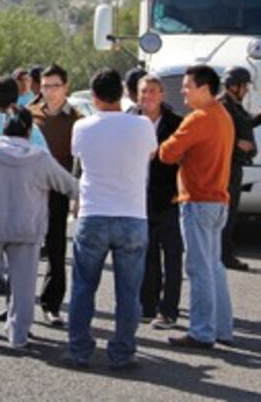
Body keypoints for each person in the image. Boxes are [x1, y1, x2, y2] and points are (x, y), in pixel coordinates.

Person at [0, 109, 78, 347]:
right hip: (27, 228)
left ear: (4, 130)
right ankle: (18, 336)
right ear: (29, 131)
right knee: (23, 285)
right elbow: (67, 184)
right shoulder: (40, 156)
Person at [66, 69, 157, 370]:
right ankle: (122, 352)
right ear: (122, 94)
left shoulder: (82, 126)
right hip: (132, 214)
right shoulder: (143, 125)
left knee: (83, 287)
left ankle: (79, 350)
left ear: (93, 97)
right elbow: (150, 155)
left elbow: (77, 157)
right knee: (129, 291)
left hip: (93, 213)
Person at [159, 64, 235, 349]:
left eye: (188, 86)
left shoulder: (198, 119)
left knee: (199, 268)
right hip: (217, 201)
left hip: (198, 200)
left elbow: (167, 153)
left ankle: (202, 331)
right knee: (213, 267)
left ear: (205, 89)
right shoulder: (222, 115)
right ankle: (222, 328)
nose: (183, 91)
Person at [29, 64, 82, 327]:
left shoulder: (77, 119)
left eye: (55, 86)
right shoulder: (29, 115)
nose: (49, 92)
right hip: (30, 192)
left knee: (57, 250)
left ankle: (52, 305)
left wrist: (78, 196)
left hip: (59, 192)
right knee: (23, 249)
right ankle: (18, 302)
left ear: (66, 86)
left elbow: (81, 161)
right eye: (45, 85)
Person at [133, 75, 184, 328]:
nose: (147, 96)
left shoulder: (177, 123)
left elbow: (186, 160)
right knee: (146, 253)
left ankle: (170, 310)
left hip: (169, 199)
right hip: (138, 198)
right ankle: (147, 305)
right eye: (143, 91)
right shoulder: (130, 121)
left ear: (162, 94)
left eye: (152, 91)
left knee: (172, 256)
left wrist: (180, 190)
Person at [219, 67, 261, 272]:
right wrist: (236, 145)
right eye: (245, 86)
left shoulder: (235, 105)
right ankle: (223, 254)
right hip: (228, 165)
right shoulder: (223, 106)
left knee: (231, 212)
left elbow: (246, 123)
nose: (247, 90)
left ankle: (225, 253)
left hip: (236, 165)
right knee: (227, 212)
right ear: (235, 86)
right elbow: (219, 134)